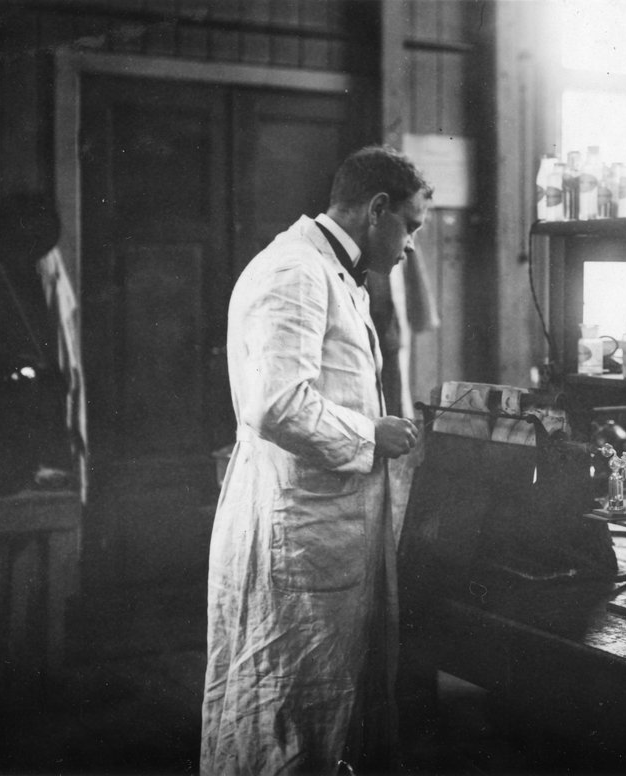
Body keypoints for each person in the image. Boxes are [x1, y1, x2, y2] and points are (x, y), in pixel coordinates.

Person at [200, 146, 430, 774]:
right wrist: (370, 435)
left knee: (318, 717)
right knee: (287, 715)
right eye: (409, 226)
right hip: (299, 535)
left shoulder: (331, 271)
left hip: (321, 527)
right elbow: (277, 404)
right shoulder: (295, 270)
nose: (410, 246)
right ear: (376, 209)